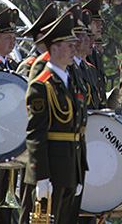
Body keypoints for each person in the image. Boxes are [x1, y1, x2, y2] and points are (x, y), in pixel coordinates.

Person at [25, 13, 88, 224]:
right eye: (69, 45)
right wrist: (40, 176)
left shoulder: (71, 82)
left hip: (71, 169)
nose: (74, 49)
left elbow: (77, 132)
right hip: (51, 170)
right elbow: (36, 135)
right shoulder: (41, 85)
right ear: (53, 49)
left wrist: (79, 172)